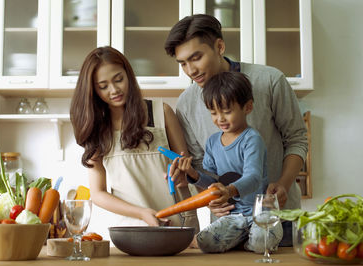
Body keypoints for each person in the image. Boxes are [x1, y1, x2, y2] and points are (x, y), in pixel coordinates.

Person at [165, 14, 307, 246]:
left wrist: (284, 183)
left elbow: (297, 140)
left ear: (219, 46)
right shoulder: (186, 103)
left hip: (277, 218)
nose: (190, 70)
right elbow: (203, 168)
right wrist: (209, 198)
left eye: (196, 57)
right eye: (182, 63)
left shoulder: (269, 81)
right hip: (225, 225)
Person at [70, 46, 199, 229]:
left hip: (178, 223)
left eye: (119, 79)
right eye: (103, 86)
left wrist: (184, 171)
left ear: (128, 75)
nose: (114, 90)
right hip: (132, 228)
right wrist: (140, 213)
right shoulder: (97, 129)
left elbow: (187, 166)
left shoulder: (161, 112)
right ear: (93, 90)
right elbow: (98, 193)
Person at [171, 71, 283, 253]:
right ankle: (243, 239)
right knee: (204, 242)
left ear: (247, 107)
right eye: (213, 113)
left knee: (262, 241)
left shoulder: (252, 139)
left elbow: (254, 177)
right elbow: (213, 183)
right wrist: (193, 174)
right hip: (233, 216)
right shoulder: (213, 142)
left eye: (227, 111)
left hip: (259, 212)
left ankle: (247, 241)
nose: (220, 119)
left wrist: (229, 190)